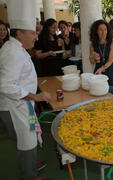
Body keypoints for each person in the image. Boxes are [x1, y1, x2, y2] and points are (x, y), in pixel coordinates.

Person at [0, 0, 51, 179]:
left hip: (24, 106)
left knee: (29, 138)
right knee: (26, 143)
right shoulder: (12, 52)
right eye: (33, 33)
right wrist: (35, 97)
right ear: (19, 34)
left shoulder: (16, 47)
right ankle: (28, 175)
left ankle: (30, 167)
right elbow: (6, 85)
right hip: (15, 108)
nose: (36, 37)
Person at [89, 19, 113, 94]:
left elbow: (110, 61)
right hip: (98, 70)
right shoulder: (92, 44)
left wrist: (101, 69)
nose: (103, 32)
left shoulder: (112, 44)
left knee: (112, 92)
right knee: (99, 92)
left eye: (105, 30)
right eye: (101, 30)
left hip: (110, 70)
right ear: (96, 31)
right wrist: (92, 56)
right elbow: (92, 62)